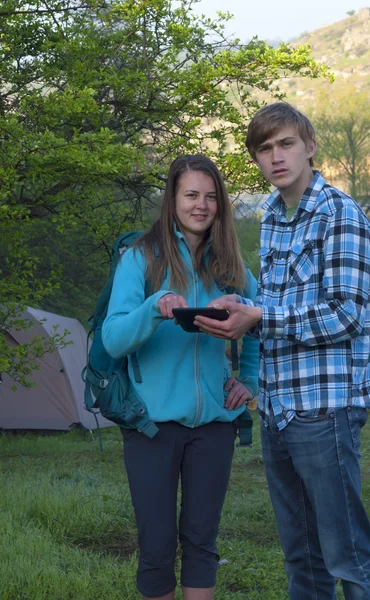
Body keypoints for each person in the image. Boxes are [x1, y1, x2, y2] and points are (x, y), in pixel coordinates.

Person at [195, 103, 370, 600]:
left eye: (285, 144)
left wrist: (259, 317)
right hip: (279, 409)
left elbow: (347, 315)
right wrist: (242, 305)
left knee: (348, 555)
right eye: (265, 149)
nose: (276, 156)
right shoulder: (271, 218)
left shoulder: (341, 215)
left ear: (310, 146)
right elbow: (279, 304)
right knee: (301, 557)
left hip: (325, 408)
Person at [102, 155, 259, 600]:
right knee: (156, 547)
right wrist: (153, 308)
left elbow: (261, 322)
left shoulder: (229, 262)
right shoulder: (140, 259)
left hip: (214, 424)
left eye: (211, 197)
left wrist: (250, 379)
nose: (202, 205)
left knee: (201, 542)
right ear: (172, 199)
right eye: (191, 195)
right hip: (152, 424)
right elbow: (113, 339)